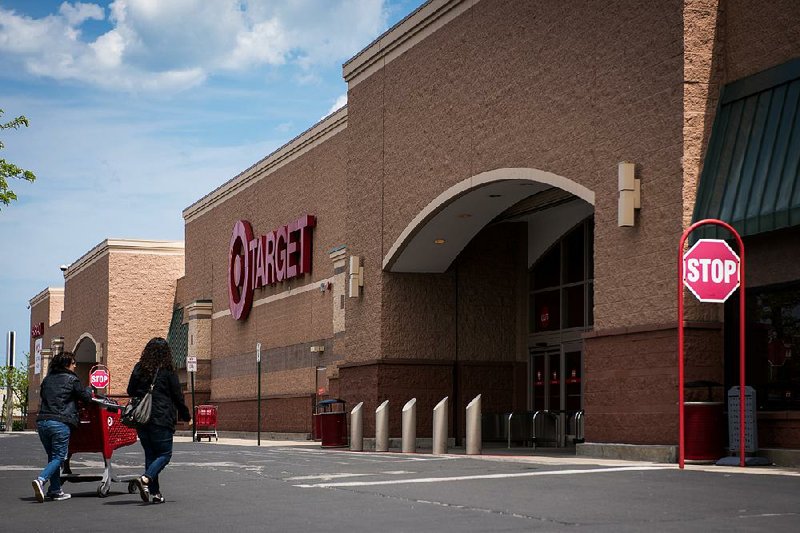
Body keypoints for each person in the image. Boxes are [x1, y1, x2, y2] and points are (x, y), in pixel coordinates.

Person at [127, 337, 191, 504]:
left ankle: (155, 493)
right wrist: (186, 416)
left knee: (150, 454)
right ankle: (146, 478)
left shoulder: (139, 368)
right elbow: (178, 396)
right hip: (161, 417)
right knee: (164, 454)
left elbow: (130, 390)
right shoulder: (168, 371)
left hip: (142, 417)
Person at [32, 351, 93, 502]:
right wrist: (89, 390)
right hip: (60, 422)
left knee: (52, 458)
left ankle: (55, 490)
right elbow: (86, 398)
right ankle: (41, 480)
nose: (75, 366)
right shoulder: (72, 379)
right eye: (73, 363)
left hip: (42, 422)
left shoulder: (47, 380)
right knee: (59, 457)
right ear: (67, 364)